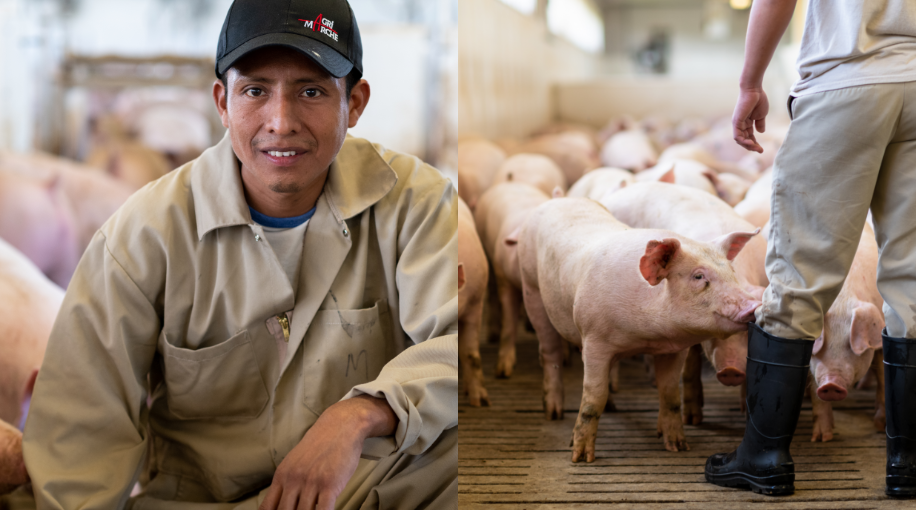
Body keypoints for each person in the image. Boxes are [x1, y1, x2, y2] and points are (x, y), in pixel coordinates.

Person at [22, 0, 458, 508]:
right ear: (222, 103)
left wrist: (359, 414)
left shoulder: (416, 203)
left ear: (355, 103)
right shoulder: (145, 235)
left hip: (355, 489)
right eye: (255, 91)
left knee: (456, 450)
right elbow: (81, 421)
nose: (280, 121)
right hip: (206, 503)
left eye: (311, 91)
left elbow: (455, 345)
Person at [704, 0, 916, 498]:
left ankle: (764, 455)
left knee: (800, 275)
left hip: (847, 82)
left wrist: (749, 83)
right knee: (913, 280)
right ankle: (908, 462)